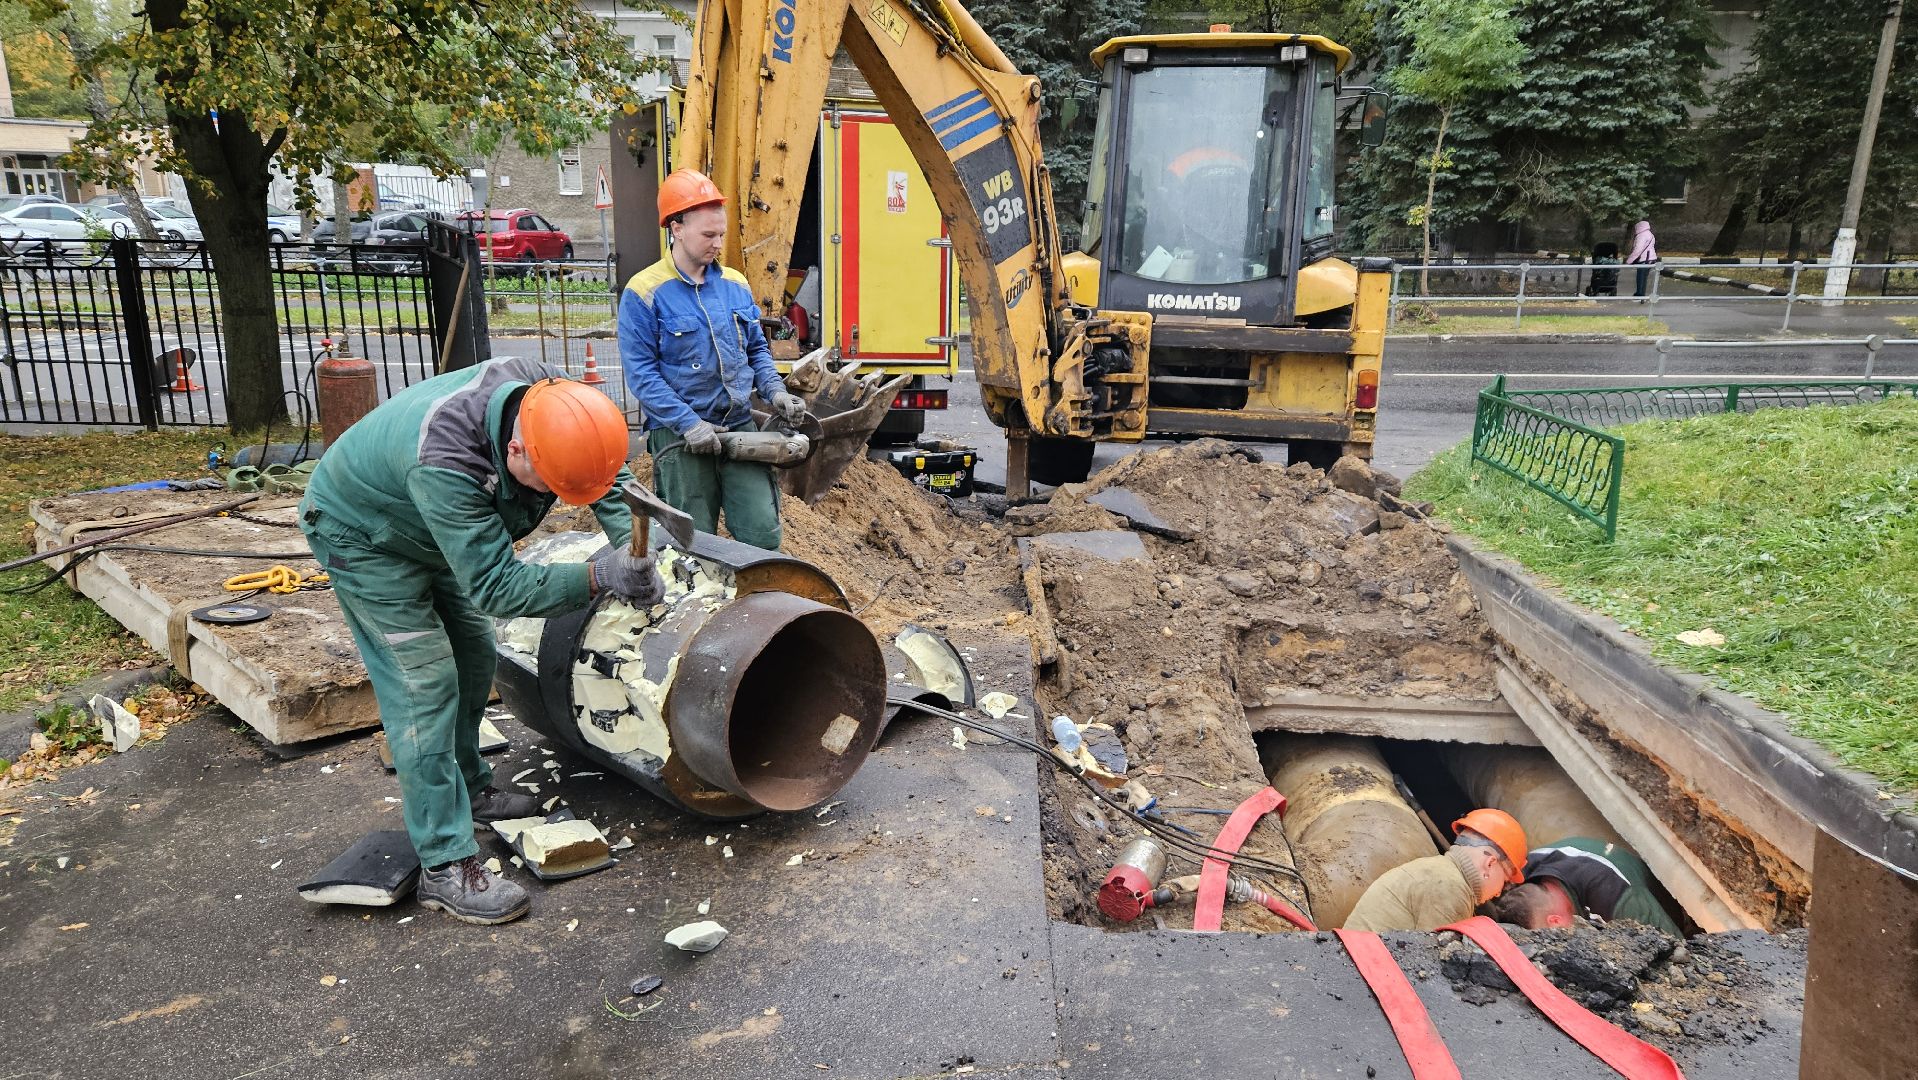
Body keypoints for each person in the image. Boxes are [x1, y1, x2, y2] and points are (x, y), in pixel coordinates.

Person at [300, 359, 664, 925]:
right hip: (365, 536)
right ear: (518, 451)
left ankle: (470, 789)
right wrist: (599, 575)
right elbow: (496, 586)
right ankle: (445, 867)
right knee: (425, 684)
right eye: (554, 490)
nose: (563, 500)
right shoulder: (447, 463)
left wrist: (634, 551)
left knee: (474, 657)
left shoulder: (553, 405)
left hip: (432, 527)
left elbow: (604, 477)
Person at [619, 167, 807, 551]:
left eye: (721, 233)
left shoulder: (735, 285)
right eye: (708, 235)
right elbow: (642, 376)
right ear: (676, 229)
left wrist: (776, 392)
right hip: (680, 437)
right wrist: (690, 424)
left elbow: (756, 350)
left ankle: (757, 607)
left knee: (761, 532)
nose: (718, 243)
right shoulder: (644, 293)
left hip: (738, 425)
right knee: (691, 542)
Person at [1342, 809, 1529, 932]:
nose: (1497, 892)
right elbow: (1435, 965)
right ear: (1490, 863)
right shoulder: (1450, 886)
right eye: (1504, 881)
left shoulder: (1437, 870)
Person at [1483, 837, 1682, 937]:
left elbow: (1673, 946)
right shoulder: (1518, 879)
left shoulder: (1614, 895)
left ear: (1554, 921)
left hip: (1664, 900)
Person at [1627, 219, 1658, 298]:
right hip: (1651, 258)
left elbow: (1638, 249)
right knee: (1644, 277)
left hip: (1644, 259)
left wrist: (1629, 260)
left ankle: (1639, 294)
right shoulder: (1650, 234)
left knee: (1640, 277)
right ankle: (1641, 294)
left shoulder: (1641, 235)